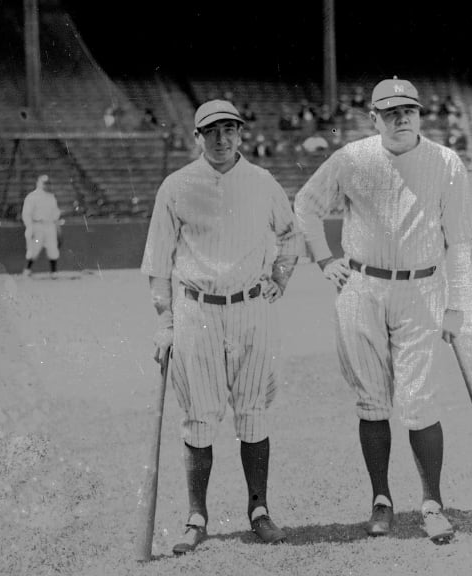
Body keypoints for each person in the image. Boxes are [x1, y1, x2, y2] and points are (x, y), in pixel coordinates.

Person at [294, 77, 472, 544]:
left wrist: (456, 306)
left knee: (418, 402)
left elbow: (459, 242)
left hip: (423, 288)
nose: (401, 119)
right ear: (374, 118)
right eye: (391, 113)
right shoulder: (351, 158)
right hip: (362, 286)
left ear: (419, 115)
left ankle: (432, 503)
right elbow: (306, 204)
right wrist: (325, 259)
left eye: (409, 111)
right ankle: (381, 499)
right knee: (372, 400)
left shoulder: (446, 162)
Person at [140, 99, 300, 555]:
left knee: (253, 412)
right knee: (199, 418)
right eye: (211, 131)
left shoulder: (262, 181)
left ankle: (259, 511)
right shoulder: (176, 186)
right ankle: (197, 516)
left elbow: (290, 235)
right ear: (197, 137)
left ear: (241, 133)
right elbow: (158, 261)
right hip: (197, 313)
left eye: (229, 129)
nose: (221, 138)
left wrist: (279, 278)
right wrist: (165, 321)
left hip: (250, 308)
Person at [21, 175, 62, 277]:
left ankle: (53, 272)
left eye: (47, 183)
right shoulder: (32, 196)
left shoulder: (51, 197)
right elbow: (26, 214)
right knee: (34, 248)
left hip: (50, 226)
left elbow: (55, 213)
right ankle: (27, 270)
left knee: (52, 248)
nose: (45, 185)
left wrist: (57, 227)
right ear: (38, 183)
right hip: (37, 225)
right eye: (43, 183)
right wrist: (29, 227)